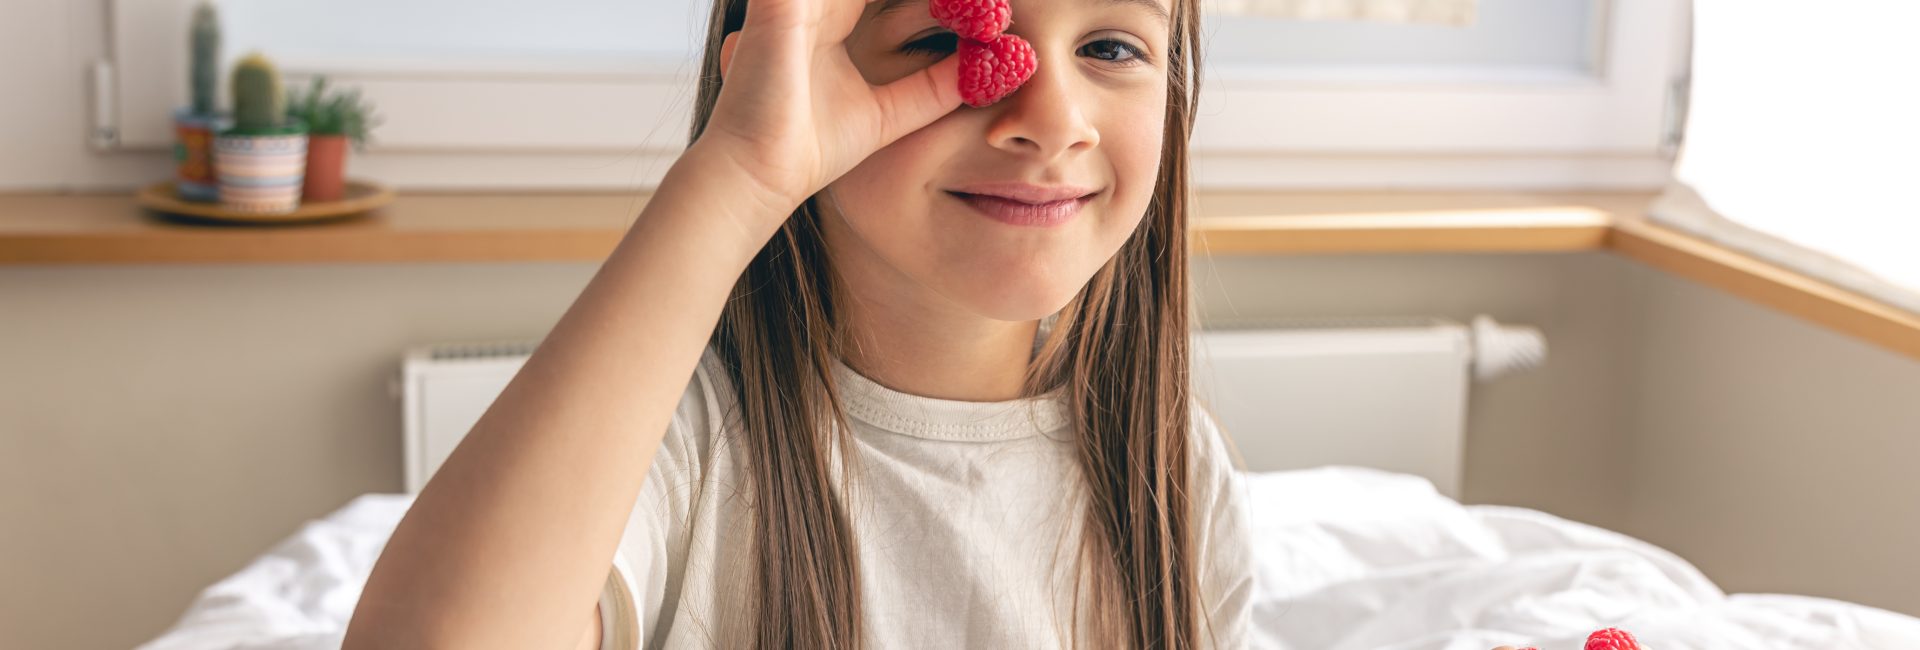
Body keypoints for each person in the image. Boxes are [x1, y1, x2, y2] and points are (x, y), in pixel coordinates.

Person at [343, 0, 1254, 647]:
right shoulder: (685, 448)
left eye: (1110, 47)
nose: (1054, 122)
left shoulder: (1176, 468)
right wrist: (739, 174)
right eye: (941, 37)